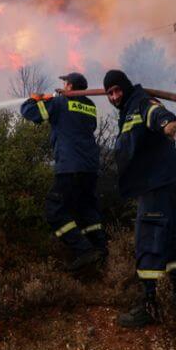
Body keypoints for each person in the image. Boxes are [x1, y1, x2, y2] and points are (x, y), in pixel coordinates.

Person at [103, 69, 176, 328]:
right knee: (172, 239)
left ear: (126, 86)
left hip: (158, 185)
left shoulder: (140, 102)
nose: (114, 96)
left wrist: (167, 123)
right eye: (109, 93)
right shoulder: (128, 109)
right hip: (166, 181)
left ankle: (150, 305)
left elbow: (155, 113)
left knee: (149, 241)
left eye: (117, 90)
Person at [20, 72, 107, 272]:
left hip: (70, 167)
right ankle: (101, 252)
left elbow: (31, 113)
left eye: (65, 83)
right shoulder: (90, 106)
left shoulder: (61, 103)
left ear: (69, 86)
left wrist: (33, 100)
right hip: (90, 168)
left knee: (55, 211)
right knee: (86, 211)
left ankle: (84, 250)